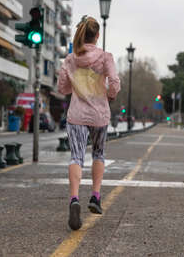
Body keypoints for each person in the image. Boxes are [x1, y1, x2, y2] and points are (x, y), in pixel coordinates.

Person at [57, 15, 120, 230]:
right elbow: (115, 82)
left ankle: (74, 199)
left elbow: (62, 89)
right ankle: (95, 195)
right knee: (98, 153)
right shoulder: (105, 57)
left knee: (76, 156)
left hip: (76, 116)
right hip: (99, 115)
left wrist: (75, 86)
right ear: (97, 36)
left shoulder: (70, 59)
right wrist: (110, 95)